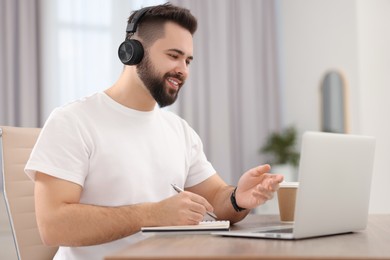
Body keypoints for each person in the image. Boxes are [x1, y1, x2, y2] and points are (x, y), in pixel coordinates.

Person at [25, 3, 283, 260]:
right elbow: (53, 226)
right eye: (173, 55)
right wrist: (154, 214)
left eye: (188, 60)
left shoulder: (179, 130)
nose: (183, 70)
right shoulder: (73, 121)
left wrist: (238, 198)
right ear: (132, 52)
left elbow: (216, 198)